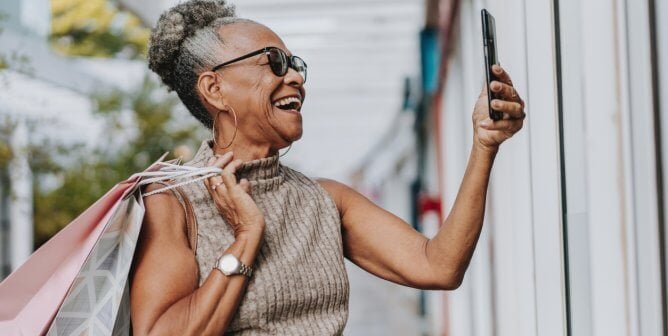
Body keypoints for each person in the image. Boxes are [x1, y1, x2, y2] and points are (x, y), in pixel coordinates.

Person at [129, 0, 526, 334]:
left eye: (296, 64)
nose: (297, 77)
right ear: (215, 89)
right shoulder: (172, 201)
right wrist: (246, 236)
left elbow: (438, 266)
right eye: (275, 63)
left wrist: (484, 145)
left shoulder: (324, 200)